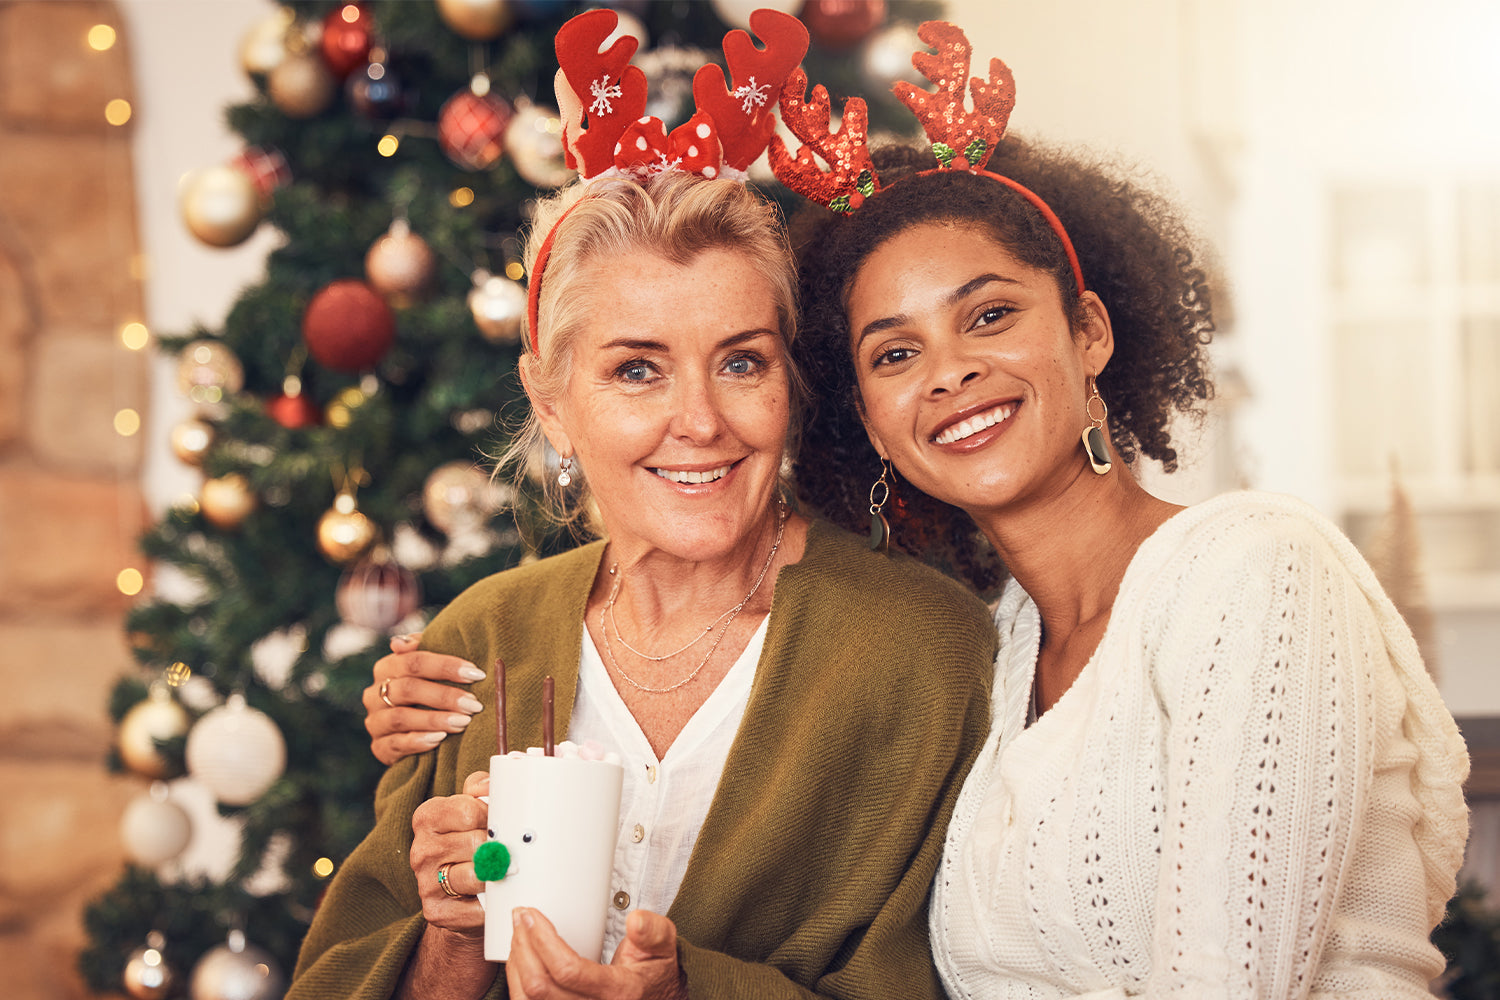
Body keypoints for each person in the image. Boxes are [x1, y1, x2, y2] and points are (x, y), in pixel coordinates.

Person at [367, 17, 1470, 999]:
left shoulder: (1248, 568)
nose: (947, 374)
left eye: (989, 316)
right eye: (896, 350)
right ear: (864, 408)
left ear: (1090, 331)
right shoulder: (1003, 646)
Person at [290, 166, 995, 1000]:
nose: (700, 421)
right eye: (637, 370)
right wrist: (450, 939)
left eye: (741, 363)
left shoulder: (921, 649)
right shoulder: (479, 642)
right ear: (552, 403)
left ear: (787, 384)